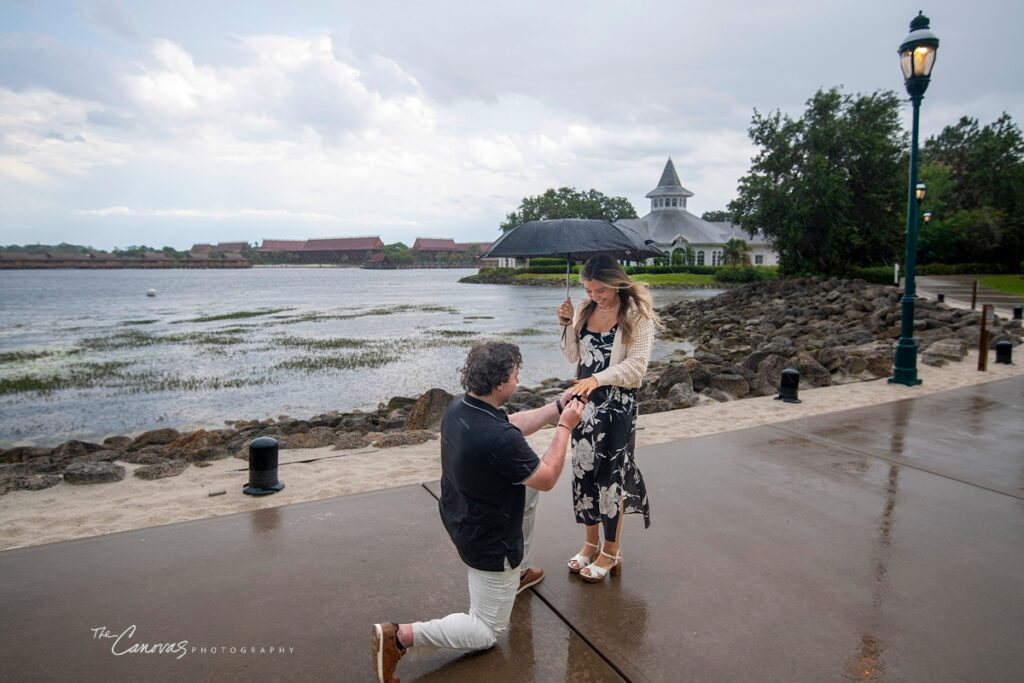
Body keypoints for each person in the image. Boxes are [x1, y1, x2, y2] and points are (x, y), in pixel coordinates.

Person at [371, 341, 584, 683]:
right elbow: (546, 477)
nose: (518, 380)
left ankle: (520, 573)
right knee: (486, 631)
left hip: (460, 514)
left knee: (527, 492)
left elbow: (512, 423)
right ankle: (399, 637)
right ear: (499, 384)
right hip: (490, 542)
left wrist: (558, 407)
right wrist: (565, 427)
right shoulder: (499, 439)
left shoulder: (460, 407)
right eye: (515, 375)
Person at [556, 255, 659, 583]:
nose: (594, 296)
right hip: (583, 404)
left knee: (610, 477)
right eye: (588, 290)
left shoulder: (636, 314)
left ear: (616, 282)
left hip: (616, 406)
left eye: (600, 290)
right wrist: (565, 324)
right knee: (583, 472)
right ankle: (590, 545)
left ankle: (612, 551)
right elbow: (573, 356)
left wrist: (597, 379)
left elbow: (637, 368)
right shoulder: (584, 309)